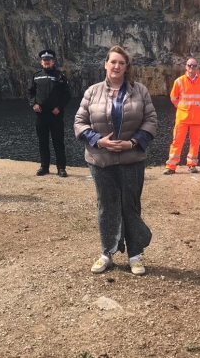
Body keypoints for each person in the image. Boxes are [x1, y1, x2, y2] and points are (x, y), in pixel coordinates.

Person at [74, 46, 158, 276]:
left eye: (121, 63)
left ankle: (134, 255)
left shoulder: (140, 91)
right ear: (106, 64)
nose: (116, 66)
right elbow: (80, 122)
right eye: (113, 62)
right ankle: (106, 253)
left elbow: (151, 121)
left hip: (132, 159)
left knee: (130, 205)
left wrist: (132, 143)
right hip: (100, 160)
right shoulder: (92, 92)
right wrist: (98, 141)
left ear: (126, 67)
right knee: (106, 206)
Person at [27, 49, 72, 177]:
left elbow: (67, 94)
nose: (47, 62)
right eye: (44, 60)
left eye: (49, 60)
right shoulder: (36, 76)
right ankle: (44, 167)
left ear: (53, 62)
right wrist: (33, 104)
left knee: (58, 141)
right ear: (41, 62)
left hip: (56, 114)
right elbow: (30, 92)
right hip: (41, 114)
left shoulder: (60, 76)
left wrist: (59, 107)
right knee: (43, 141)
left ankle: (61, 168)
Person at [164, 56, 200, 175]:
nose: (192, 67)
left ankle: (192, 165)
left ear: (197, 67)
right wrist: (183, 108)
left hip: (198, 118)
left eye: (194, 65)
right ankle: (171, 166)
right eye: (189, 65)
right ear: (186, 67)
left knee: (195, 142)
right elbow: (173, 98)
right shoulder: (179, 81)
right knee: (177, 141)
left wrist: (197, 108)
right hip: (183, 117)